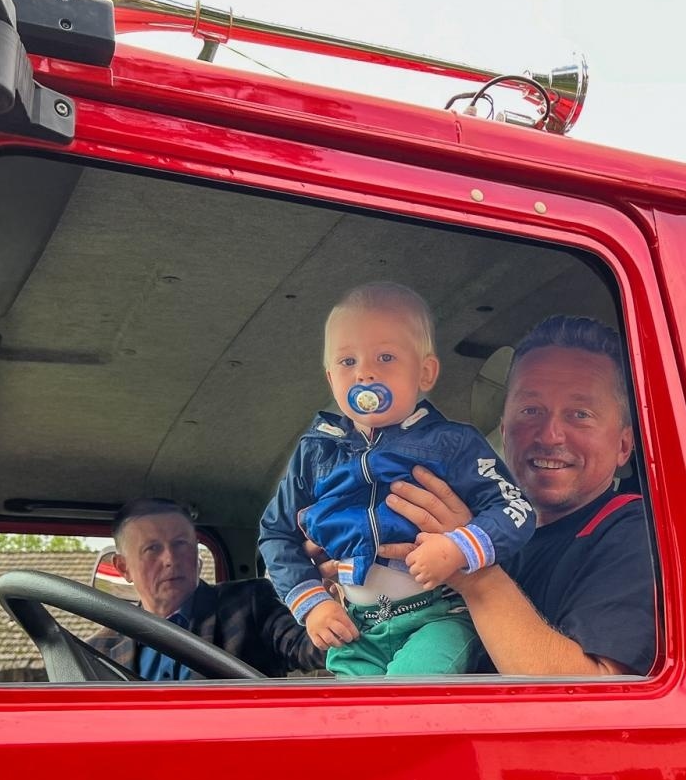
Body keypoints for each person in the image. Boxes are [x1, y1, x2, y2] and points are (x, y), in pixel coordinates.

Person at [259, 282, 535, 676]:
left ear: (424, 372)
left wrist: (460, 546)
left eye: (385, 356)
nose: (365, 372)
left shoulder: (453, 444)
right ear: (330, 377)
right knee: (355, 727)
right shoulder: (316, 452)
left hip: (437, 617)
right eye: (347, 361)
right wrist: (311, 601)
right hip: (359, 628)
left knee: (406, 702)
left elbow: (514, 508)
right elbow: (276, 534)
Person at [377, 315, 656, 676]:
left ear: (623, 445)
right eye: (531, 410)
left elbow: (588, 696)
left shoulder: (635, 533)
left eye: (580, 414)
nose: (550, 434)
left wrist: (469, 566)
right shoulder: (475, 518)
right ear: (505, 431)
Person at [88, 498, 323, 679]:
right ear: (124, 567)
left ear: (196, 553)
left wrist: (329, 603)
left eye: (181, 544)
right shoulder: (99, 649)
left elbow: (308, 647)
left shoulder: (249, 604)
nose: (171, 559)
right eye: (152, 549)